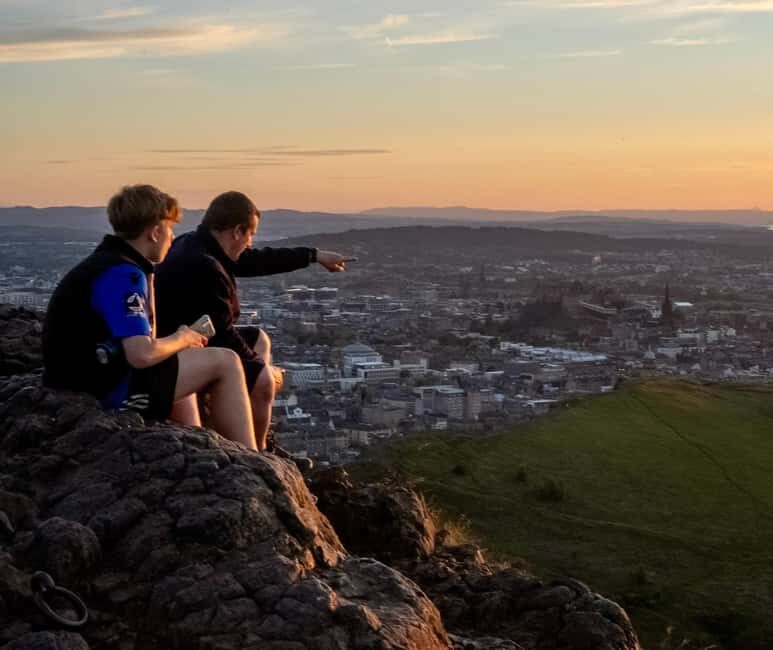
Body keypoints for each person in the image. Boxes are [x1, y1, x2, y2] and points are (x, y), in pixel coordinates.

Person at [42, 184, 258, 450]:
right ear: (155, 232)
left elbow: (146, 340)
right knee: (227, 361)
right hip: (102, 390)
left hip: (82, 380)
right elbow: (141, 354)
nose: (172, 235)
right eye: (170, 228)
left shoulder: (112, 262)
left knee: (175, 363)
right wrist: (183, 337)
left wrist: (151, 274)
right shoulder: (124, 275)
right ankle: (251, 455)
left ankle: (197, 445)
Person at [155, 190, 347, 454]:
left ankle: (249, 424)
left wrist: (314, 255)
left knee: (259, 339)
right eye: (250, 234)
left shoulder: (198, 244)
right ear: (236, 231)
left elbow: (255, 260)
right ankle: (258, 453)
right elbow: (221, 334)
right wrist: (260, 371)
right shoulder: (204, 266)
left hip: (194, 339)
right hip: (181, 350)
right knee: (265, 381)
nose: (250, 242)